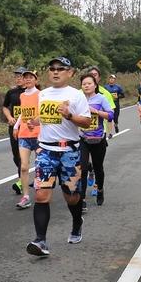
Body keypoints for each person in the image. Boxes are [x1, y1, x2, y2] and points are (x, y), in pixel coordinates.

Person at [24, 56, 91, 257]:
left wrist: (69, 115)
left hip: (69, 152)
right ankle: (40, 241)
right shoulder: (43, 94)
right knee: (42, 195)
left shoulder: (77, 95)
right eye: (52, 68)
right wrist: (35, 122)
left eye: (60, 68)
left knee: (71, 197)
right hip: (45, 151)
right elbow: (45, 116)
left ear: (70, 73)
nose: (55, 72)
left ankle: (77, 222)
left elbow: (86, 122)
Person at [79, 73, 113, 206]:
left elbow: (110, 115)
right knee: (82, 168)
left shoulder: (101, 98)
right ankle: (81, 198)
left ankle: (100, 189)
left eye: (89, 83)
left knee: (98, 167)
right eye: (84, 84)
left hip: (98, 139)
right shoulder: (79, 99)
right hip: (83, 138)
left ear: (95, 85)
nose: (86, 86)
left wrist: (96, 112)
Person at [12, 68, 41, 208]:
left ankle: (41, 191)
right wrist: (16, 126)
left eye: (31, 77)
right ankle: (26, 196)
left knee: (40, 166)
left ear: (36, 80)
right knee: (23, 167)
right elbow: (22, 113)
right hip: (24, 134)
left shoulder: (41, 94)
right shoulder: (22, 96)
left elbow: (43, 113)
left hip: (38, 134)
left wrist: (34, 121)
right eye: (26, 77)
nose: (28, 79)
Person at [2, 67, 27, 196]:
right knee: (17, 155)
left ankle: (22, 181)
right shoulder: (11, 93)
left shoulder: (33, 92)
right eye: (16, 76)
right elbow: (5, 107)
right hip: (15, 128)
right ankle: (21, 179)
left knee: (35, 154)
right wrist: (10, 117)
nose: (18, 79)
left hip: (30, 128)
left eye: (21, 76)